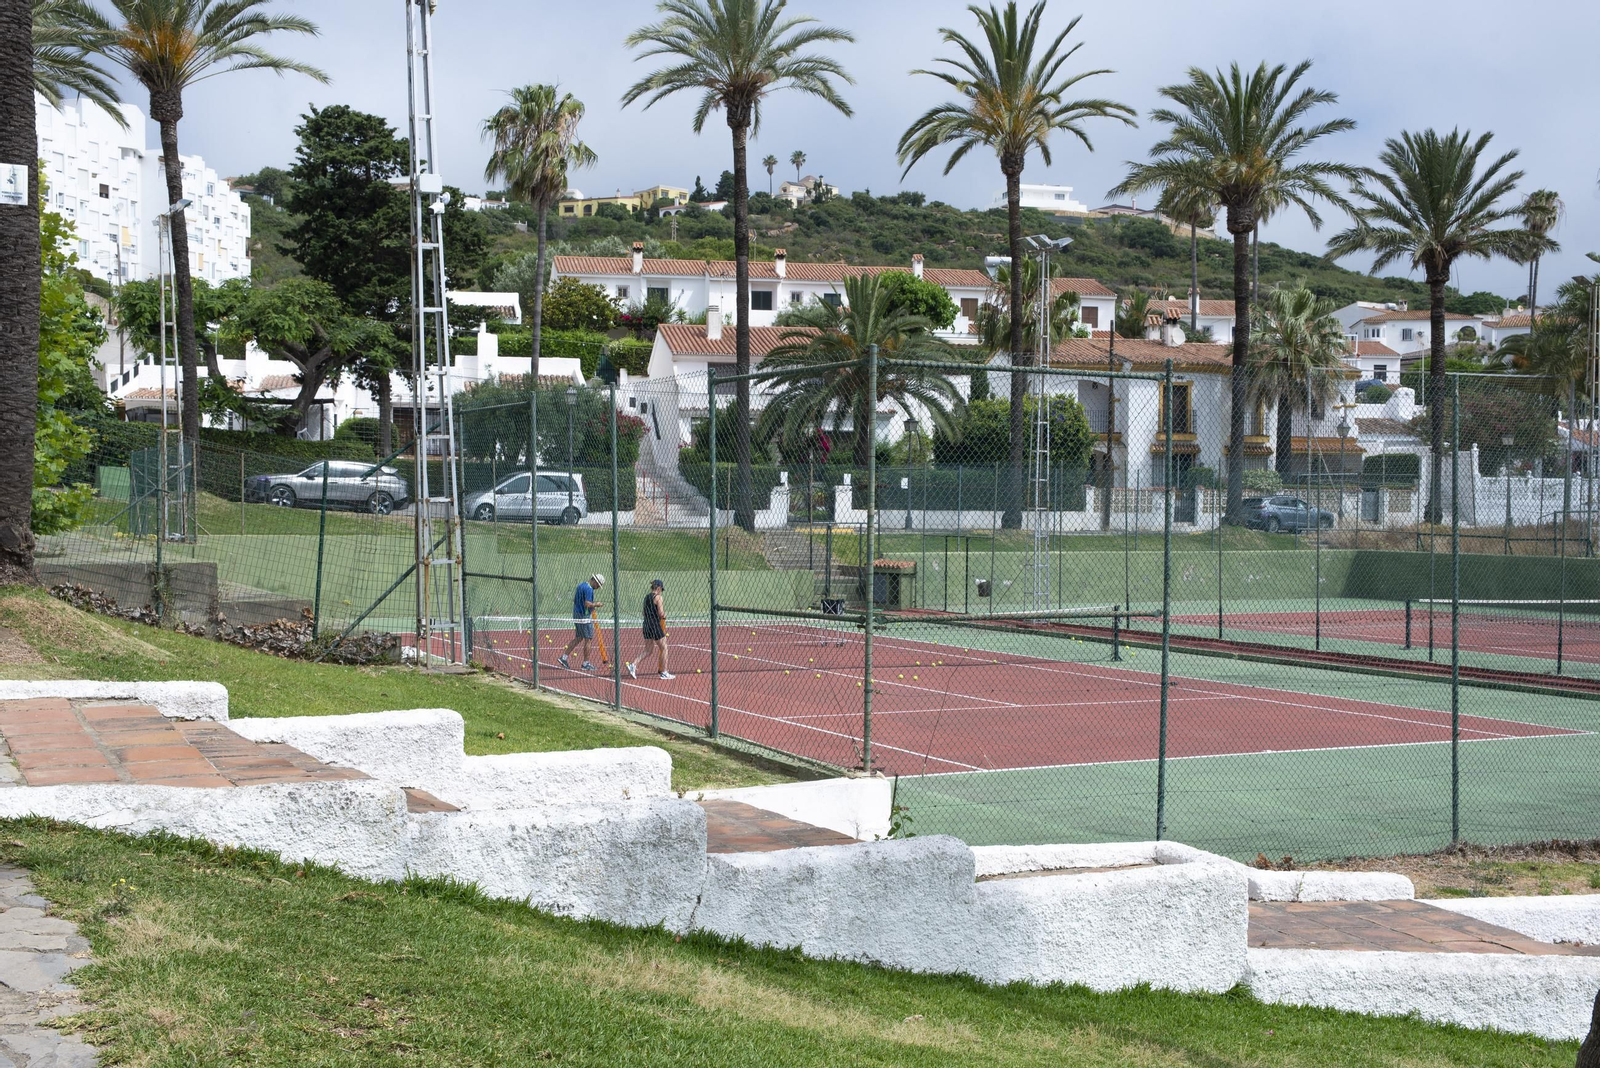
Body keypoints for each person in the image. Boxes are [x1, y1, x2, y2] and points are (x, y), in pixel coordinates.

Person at [626, 579, 673, 681]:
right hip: (654, 625)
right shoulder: (658, 597)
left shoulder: (646, 597)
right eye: (661, 589)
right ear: (658, 588)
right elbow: (661, 613)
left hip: (646, 624)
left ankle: (633, 664)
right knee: (664, 648)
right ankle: (664, 672)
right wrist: (664, 616)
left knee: (648, 650)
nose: (661, 591)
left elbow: (643, 613)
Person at [559, 573, 604, 670]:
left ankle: (564, 657)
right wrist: (597, 604)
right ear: (595, 581)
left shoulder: (581, 585)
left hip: (576, 613)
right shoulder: (589, 589)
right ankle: (585, 663)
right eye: (598, 585)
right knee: (588, 639)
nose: (598, 587)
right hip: (584, 616)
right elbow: (587, 604)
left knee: (579, 637)